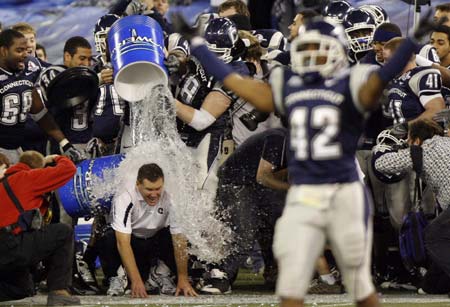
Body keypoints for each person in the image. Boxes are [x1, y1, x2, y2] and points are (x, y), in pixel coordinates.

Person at [172, 11, 432, 307]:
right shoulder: (289, 84)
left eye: (318, 47)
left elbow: (384, 75)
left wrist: (412, 40)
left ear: (335, 50)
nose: (312, 54)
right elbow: (234, 80)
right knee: (292, 281)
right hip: (305, 193)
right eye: (307, 48)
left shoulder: (353, 82)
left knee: (359, 284)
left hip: (343, 190)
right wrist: (201, 48)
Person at [199, 128, 288, 294]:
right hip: (236, 182)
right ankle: (220, 276)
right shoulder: (278, 139)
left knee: (272, 227)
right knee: (244, 235)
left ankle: (273, 272)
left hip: (254, 185)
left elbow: (279, 173)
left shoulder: (295, 142)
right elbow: (263, 176)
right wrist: (291, 187)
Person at [97, 163, 197, 298]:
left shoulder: (172, 195)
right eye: (149, 189)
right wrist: (136, 281)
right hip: (132, 243)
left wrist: (183, 279)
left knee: (184, 235)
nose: (154, 194)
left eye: (158, 189)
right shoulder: (125, 196)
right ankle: (117, 275)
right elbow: (123, 243)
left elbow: (179, 239)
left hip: (155, 242)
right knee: (107, 236)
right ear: (138, 184)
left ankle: (160, 273)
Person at [373, 119, 450, 295]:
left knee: (434, 236)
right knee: (444, 238)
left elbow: (381, 164)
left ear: (415, 140)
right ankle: (431, 286)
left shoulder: (421, 151)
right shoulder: (447, 142)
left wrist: (393, 149)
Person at [0, 151, 78, 306]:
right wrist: (55, 158)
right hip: (13, 244)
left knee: (22, 288)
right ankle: (59, 291)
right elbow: (69, 169)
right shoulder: (28, 177)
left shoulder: (3, 184)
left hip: (4, 251)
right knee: (63, 232)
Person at [0, 29, 83, 164]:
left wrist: (64, 143)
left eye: (26, 50)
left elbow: (39, 112)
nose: (25, 55)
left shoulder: (29, 67)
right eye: (19, 50)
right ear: (4, 51)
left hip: (15, 147)